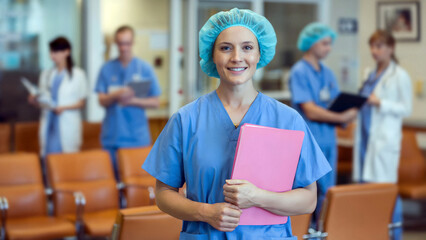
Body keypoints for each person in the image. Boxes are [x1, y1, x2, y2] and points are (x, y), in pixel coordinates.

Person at [142, 8, 331, 239]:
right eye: (225, 48)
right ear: (211, 54)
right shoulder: (186, 120)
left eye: (247, 47)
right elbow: (163, 193)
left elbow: (309, 200)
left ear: (260, 54)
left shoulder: (287, 120)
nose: (237, 57)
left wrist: (257, 197)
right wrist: (205, 212)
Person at [289, 22, 358, 228]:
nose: (329, 48)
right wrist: (341, 118)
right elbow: (310, 109)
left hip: (328, 138)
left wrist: (348, 112)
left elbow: (334, 103)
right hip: (308, 139)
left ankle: (324, 230)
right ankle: (306, 230)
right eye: (325, 43)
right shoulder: (299, 72)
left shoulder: (327, 73)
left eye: (330, 44)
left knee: (328, 190)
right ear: (311, 43)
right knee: (309, 190)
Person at [353, 30, 412, 240]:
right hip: (365, 138)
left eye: (379, 46)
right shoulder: (370, 73)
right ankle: (372, 232)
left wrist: (381, 103)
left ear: (391, 48)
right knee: (366, 190)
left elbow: (407, 108)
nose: (374, 51)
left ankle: (395, 234)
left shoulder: (399, 75)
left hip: (384, 142)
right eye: (372, 46)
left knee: (387, 191)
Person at [95, 25, 161, 180]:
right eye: (120, 43)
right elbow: (101, 100)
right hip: (112, 137)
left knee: (137, 183)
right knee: (114, 182)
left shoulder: (144, 68)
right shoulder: (106, 69)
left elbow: (155, 102)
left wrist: (133, 100)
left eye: (127, 43)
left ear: (133, 42)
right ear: (115, 43)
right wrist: (117, 94)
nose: (124, 47)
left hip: (136, 137)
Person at [28, 36, 87, 160]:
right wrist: (34, 100)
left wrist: (63, 107)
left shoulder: (78, 75)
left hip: (67, 123)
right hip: (49, 122)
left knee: (66, 162)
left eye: (55, 52)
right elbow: (43, 100)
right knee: (48, 160)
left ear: (67, 52)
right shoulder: (46, 74)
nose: (52, 56)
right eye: (51, 52)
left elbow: (82, 103)